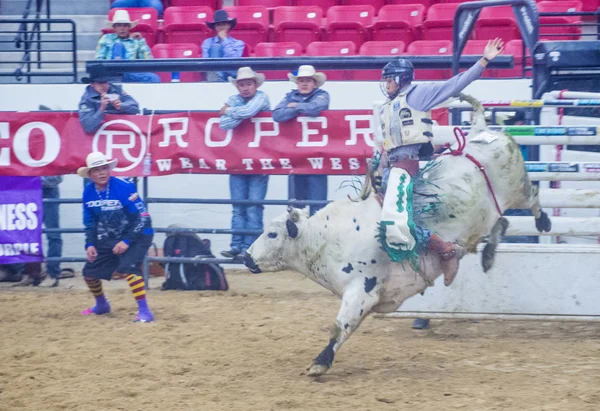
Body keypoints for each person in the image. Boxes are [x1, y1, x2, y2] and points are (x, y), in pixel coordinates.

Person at [374, 38, 505, 289]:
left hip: (406, 166)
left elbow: (454, 84)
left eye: (389, 79)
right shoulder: (387, 107)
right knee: (384, 212)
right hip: (394, 166)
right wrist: (379, 170)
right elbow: (386, 145)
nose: (386, 84)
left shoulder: (417, 95)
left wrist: (484, 60)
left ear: (401, 79)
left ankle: (445, 250)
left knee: (394, 217)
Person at [78, 152, 155, 322]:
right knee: (89, 273)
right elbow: (89, 221)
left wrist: (127, 241)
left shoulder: (124, 187)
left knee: (128, 268)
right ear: (90, 174)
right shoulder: (88, 193)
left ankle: (145, 311)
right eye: (96, 170)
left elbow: (143, 216)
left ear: (109, 169)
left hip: (140, 234)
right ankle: (101, 305)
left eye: (104, 168)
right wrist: (89, 244)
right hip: (112, 236)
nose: (102, 173)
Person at [219, 67, 271, 258]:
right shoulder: (236, 100)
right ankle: (237, 245)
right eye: (241, 84)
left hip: (257, 159)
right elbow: (224, 124)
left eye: (248, 84)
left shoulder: (261, 97)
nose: (245, 88)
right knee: (240, 205)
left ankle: (249, 247)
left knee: (252, 205)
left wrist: (230, 111)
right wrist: (238, 114)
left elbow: (249, 111)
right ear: (237, 86)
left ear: (255, 85)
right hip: (239, 159)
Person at [273, 65, 331, 216]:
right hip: (296, 158)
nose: (304, 84)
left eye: (308, 80)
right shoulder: (289, 96)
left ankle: (317, 238)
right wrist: (300, 108)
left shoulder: (322, 95)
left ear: (314, 83)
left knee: (317, 206)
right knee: (295, 206)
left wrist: (294, 106)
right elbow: (277, 115)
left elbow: (316, 108)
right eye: (301, 81)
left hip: (317, 158)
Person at [95, 10, 160, 83]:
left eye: (125, 25)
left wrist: (141, 42)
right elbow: (99, 59)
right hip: (109, 72)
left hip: (130, 73)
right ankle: (117, 73)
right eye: (119, 25)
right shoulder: (106, 38)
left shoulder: (136, 41)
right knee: (118, 46)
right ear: (114, 27)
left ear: (129, 27)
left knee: (153, 78)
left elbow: (148, 61)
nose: (122, 28)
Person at [202, 9, 245, 82]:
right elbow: (205, 63)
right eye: (218, 25)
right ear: (215, 27)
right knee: (215, 48)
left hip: (233, 75)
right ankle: (216, 80)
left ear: (229, 26)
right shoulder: (207, 42)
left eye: (224, 24)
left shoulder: (238, 43)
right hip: (214, 75)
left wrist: (225, 40)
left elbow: (235, 61)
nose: (221, 27)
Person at [41, 176, 64, 287]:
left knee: (53, 233)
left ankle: (53, 274)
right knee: (27, 233)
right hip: (29, 191)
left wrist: (33, 179)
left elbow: (58, 178)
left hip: (47, 191)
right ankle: (31, 273)